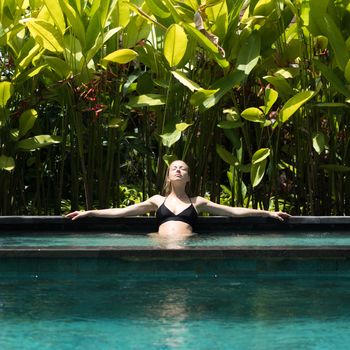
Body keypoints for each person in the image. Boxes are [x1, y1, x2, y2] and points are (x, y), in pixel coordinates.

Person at [66, 160, 291, 239]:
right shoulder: (156, 200)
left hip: (187, 246)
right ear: (168, 176)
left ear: (189, 177)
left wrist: (267, 213)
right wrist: (90, 212)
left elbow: (232, 211)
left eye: (183, 169)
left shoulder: (198, 202)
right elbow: (123, 211)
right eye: (174, 168)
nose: (178, 171)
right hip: (158, 245)